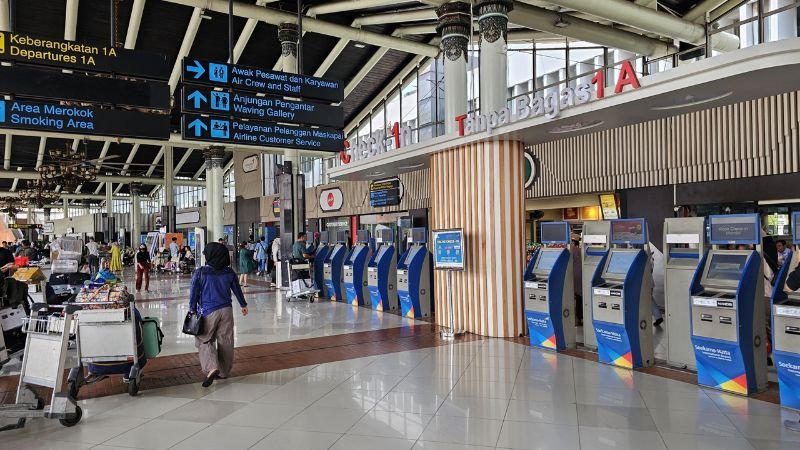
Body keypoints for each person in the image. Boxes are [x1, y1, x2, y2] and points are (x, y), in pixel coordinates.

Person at [189, 242, 248, 387]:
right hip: (227, 310)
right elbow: (236, 289)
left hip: (209, 311)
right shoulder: (229, 272)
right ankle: (223, 371)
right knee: (226, 340)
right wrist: (243, 305)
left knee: (204, 339)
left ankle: (211, 367)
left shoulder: (201, 272)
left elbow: (194, 292)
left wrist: (192, 309)